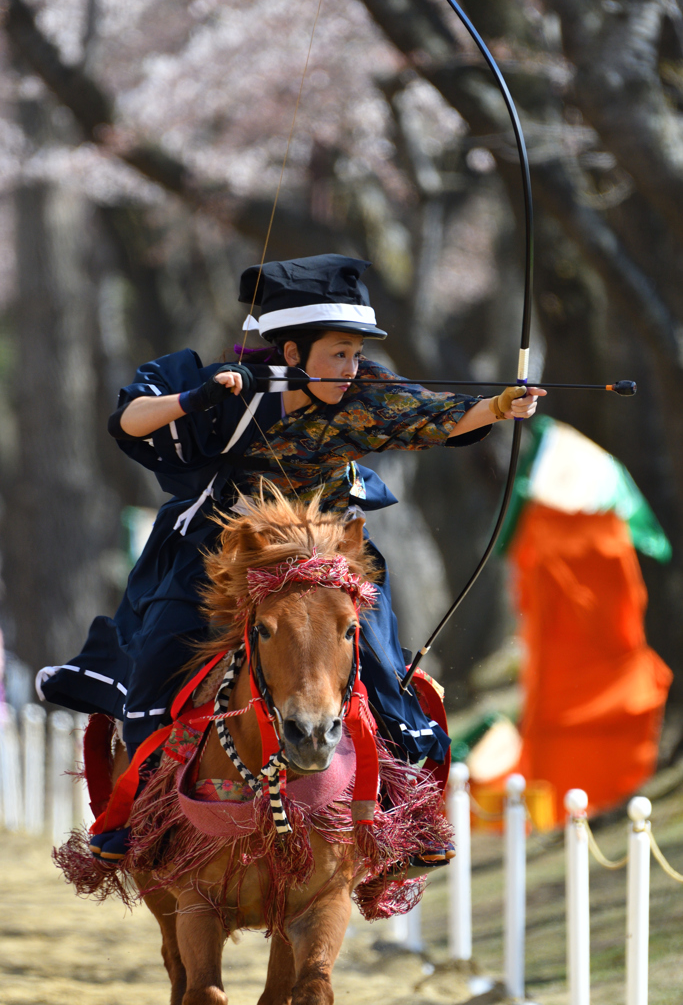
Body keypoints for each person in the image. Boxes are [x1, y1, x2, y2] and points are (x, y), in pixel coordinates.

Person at [38, 254, 543, 860]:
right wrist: (194, 398)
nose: (352, 368)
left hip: (326, 554)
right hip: (225, 552)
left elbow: (437, 415)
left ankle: (401, 809)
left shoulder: (367, 394)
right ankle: (138, 807)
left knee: (379, 659)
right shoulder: (232, 387)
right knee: (157, 651)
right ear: (292, 354)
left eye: (356, 354)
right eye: (338, 354)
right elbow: (129, 420)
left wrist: (498, 406)